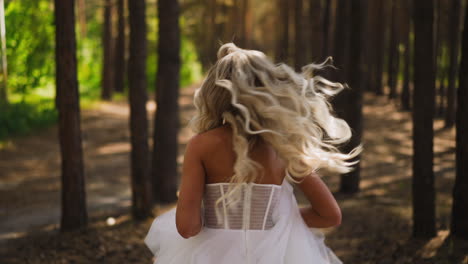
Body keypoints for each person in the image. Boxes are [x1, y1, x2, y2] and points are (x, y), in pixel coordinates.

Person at [145, 43, 361, 264]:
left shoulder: (201, 145)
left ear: (213, 93)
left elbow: (187, 227)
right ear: (268, 89)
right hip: (278, 254)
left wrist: (218, 218)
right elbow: (330, 215)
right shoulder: (284, 146)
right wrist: (280, 219)